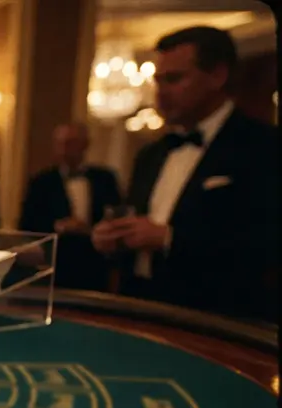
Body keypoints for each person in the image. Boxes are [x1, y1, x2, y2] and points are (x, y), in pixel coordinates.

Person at [91, 26, 277, 320]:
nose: (161, 92)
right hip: (138, 310)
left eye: (174, 79)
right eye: (158, 80)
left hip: (218, 321)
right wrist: (112, 238)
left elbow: (265, 246)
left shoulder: (264, 146)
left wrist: (169, 239)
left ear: (217, 76)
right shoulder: (151, 153)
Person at [19, 123, 122, 291]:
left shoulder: (105, 179)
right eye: (60, 143)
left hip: (95, 264)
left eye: (71, 143)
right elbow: (27, 225)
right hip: (56, 265)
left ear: (85, 144)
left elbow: (117, 216)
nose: (64, 149)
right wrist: (58, 226)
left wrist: (90, 229)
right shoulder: (41, 182)